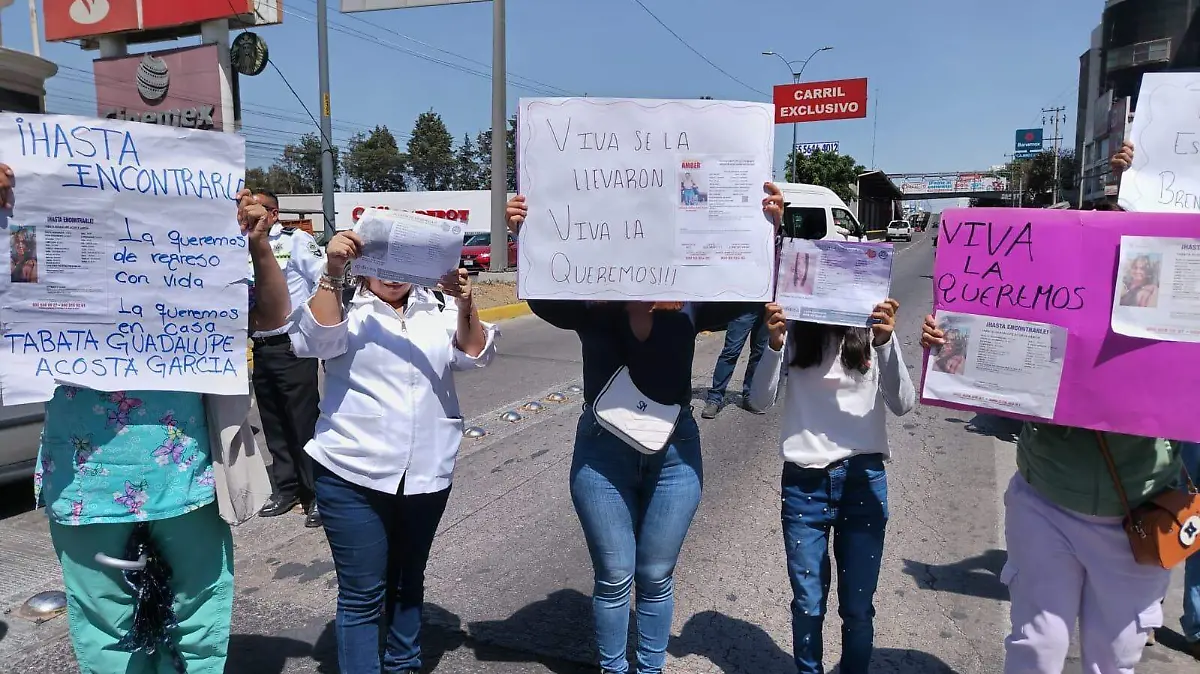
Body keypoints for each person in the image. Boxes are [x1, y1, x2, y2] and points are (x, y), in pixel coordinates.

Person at [2, 158, 292, 673]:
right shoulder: (42, 259)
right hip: (84, 483)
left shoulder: (194, 268)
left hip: (188, 477)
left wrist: (256, 244)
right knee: (106, 632)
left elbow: (269, 318)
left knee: (199, 621)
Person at [505, 183, 783, 674]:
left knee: (655, 576)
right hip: (601, 453)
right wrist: (523, 234)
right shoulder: (592, 299)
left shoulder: (691, 299)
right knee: (614, 577)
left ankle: (649, 670)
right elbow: (541, 291)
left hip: (675, 452)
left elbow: (748, 286)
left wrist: (769, 231)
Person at [921, 315, 1180, 674]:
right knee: (1037, 648)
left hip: (1139, 515)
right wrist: (952, 339)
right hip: (1044, 499)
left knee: (1114, 658)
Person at [288, 229, 497, 674]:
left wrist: (465, 304)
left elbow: (475, 354)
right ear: (365, 262)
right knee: (363, 593)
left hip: (427, 473)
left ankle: (403, 665)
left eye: (404, 264)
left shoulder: (435, 306)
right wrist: (332, 271)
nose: (394, 276)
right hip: (351, 474)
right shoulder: (347, 305)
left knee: (407, 582)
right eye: (383, 262)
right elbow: (314, 342)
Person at [749, 301, 914, 674]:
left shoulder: (872, 331)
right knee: (808, 603)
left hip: (863, 481)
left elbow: (903, 403)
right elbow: (759, 401)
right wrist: (773, 343)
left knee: (857, 607)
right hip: (805, 484)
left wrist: (886, 342)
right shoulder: (795, 331)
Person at [1113, 138, 1200, 657]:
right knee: (1179, 498)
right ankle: (1165, 610)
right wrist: (1130, 185)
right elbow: (1123, 249)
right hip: (1180, 384)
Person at [250, 190, 327, 528]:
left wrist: (306, 324)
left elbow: (321, 280)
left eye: (260, 209)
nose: (252, 214)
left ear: (274, 213)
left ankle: (317, 495)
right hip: (262, 345)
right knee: (274, 422)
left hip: (293, 344)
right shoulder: (242, 245)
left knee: (303, 421)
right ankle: (287, 488)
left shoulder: (296, 241)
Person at [700, 303, 769, 418]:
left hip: (771, 304)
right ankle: (715, 399)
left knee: (759, 354)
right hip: (746, 303)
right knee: (731, 351)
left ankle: (749, 397)